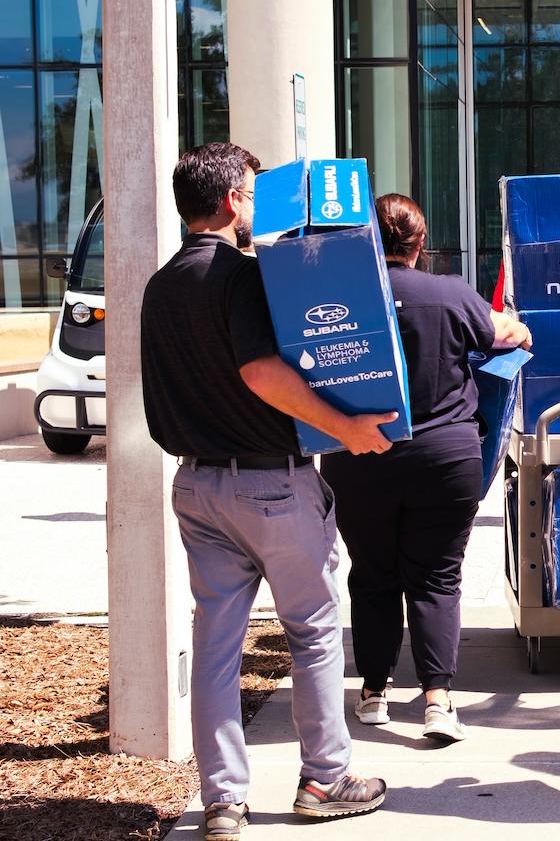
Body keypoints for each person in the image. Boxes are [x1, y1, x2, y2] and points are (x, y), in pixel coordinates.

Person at [141, 143, 396, 837]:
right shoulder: (243, 278)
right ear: (231, 202)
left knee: (218, 646)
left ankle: (223, 800)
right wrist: (346, 427)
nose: (257, 207)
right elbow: (261, 373)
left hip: (196, 484)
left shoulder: (159, 286)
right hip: (272, 486)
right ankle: (325, 778)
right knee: (312, 634)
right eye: (252, 195)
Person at [321, 195, 531, 745]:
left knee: (372, 574)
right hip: (446, 457)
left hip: (359, 457)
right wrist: (518, 328)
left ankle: (372, 692)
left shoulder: (341, 299)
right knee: (437, 577)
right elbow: (505, 333)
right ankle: (437, 701)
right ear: (420, 242)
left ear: (367, 239)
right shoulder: (451, 293)